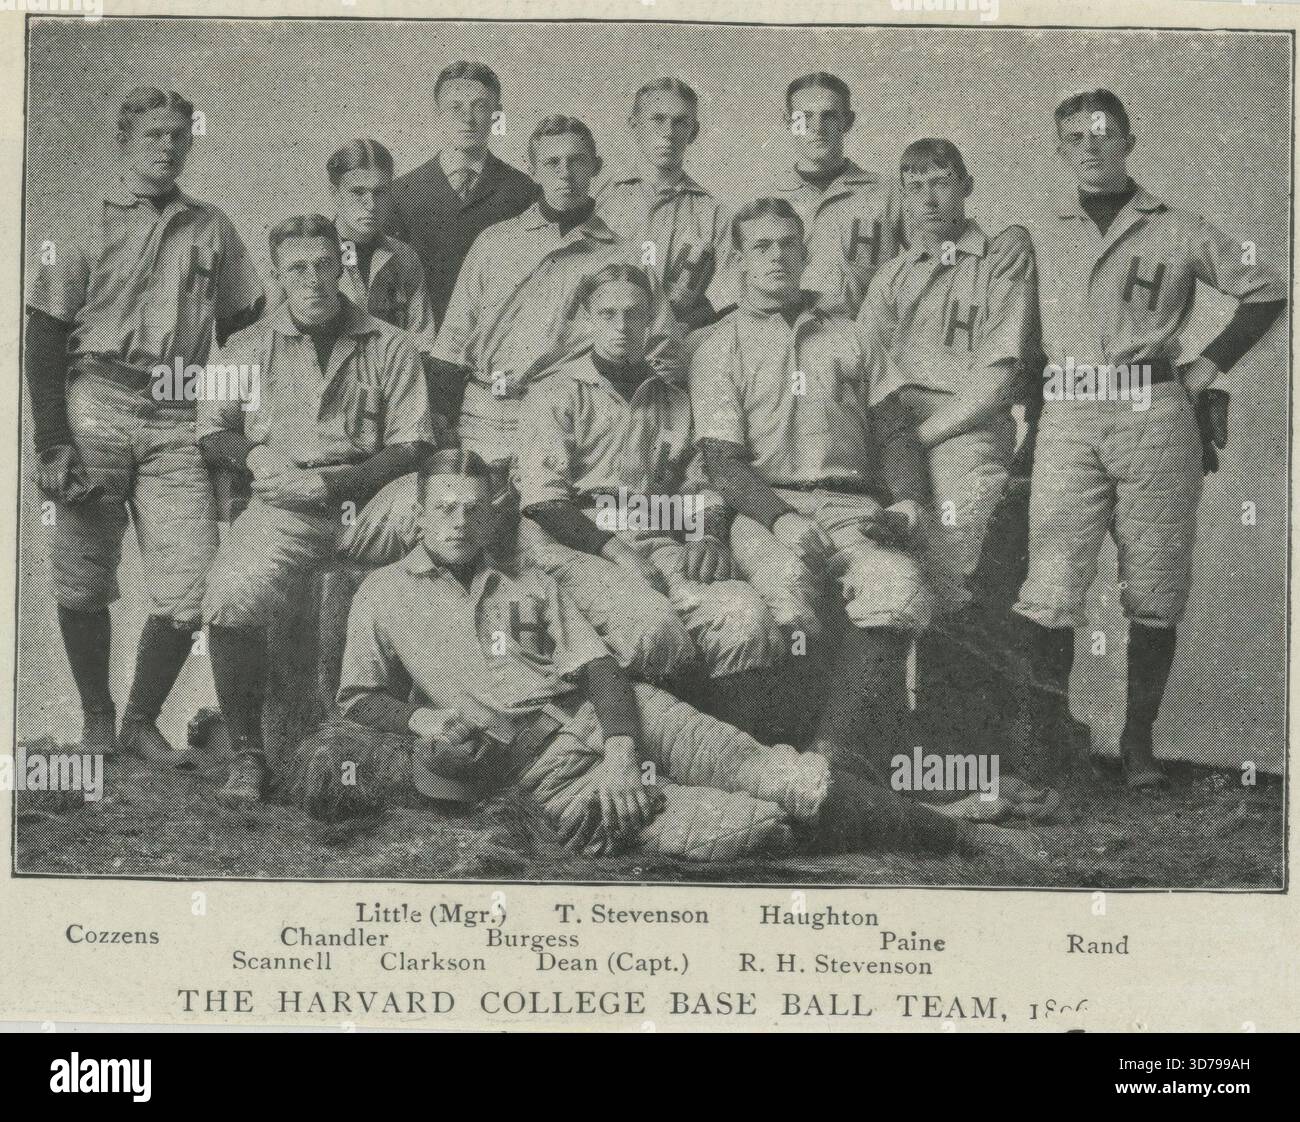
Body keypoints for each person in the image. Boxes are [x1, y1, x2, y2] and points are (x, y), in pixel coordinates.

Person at [334, 449, 1041, 861]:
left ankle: (960, 833)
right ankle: (916, 821)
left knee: (783, 774)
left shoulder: (526, 578)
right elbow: (358, 697)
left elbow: (601, 669)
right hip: (548, 773)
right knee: (750, 826)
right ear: (420, 514)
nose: (459, 522)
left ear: (489, 511)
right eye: (443, 508)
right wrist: (420, 723)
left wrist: (620, 749)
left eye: (471, 508)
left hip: (628, 717)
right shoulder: (383, 593)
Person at [1015, 90, 1286, 788]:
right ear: (1060, 148)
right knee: (1051, 581)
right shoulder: (1039, 229)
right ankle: (1050, 745)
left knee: (1156, 584)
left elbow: (1265, 289)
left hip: (1151, 410)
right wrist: (1024, 416)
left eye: (1102, 134)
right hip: (1068, 410)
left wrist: (1208, 364)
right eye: (1074, 136)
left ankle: (1138, 744)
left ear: (1129, 139)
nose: (1090, 146)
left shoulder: (1176, 226)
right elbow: (1021, 333)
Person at [24, 87, 263, 763]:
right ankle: (97, 718)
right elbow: (43, 336)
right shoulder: (82, 220)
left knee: (194, 586)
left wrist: (229, 421)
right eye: (154, 134)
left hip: (178, 410)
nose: (167, 145)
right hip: (97, 398)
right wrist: (51, 440)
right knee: (83, 573)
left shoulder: (212, 226)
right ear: (124, 142)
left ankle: (139, 720)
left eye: (179, 134)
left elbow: (246, 332)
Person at [689, 197, 931, 782]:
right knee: (789, 596)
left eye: (788, 245)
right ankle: (773, 766)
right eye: (761, 247)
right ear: (738, 259)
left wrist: (906, 501)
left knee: (897, 587)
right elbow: (722, 460)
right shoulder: (719, 343)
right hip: (766, 504)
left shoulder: (852, 334)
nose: (777, 258)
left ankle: (834, 757)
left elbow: (893, 427)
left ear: (806, 253)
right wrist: (780, 519)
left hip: (850, 503)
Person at [197, 215, 433, 803]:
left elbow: (414, 444)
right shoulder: (247, 347)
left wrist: (339, 487)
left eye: (325, 265)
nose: (313, 279)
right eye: (297, 268)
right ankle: (249, 754)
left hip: (370, 498)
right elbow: (210, 433)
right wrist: (253, 458)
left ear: (342, 267)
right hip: (285, 504)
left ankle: (431, 730)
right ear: (277, 276)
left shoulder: (388, 341)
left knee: (441, 531)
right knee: (230, 589)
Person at [516, 262, 784, 705]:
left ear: (651, 319)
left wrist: (710, 537)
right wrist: (618, 553)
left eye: (633, 313)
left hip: (652, 533)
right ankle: (659, 748)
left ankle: (736, 751)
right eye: (607, 314)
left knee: (746, 615)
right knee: (654, 630)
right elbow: (545, 502)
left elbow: (698, 489)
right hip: (569, 546)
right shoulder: (555, 393)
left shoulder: (672, 398)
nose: (621, 326)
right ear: (586, 317)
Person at [858, 139, 1038, 750]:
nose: (928, 199)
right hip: (896, 426)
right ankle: (878, 729)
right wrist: (891, 442)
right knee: (860, 542)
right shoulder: (891, 276)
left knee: (951, 558)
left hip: (963, 426)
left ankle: (948, 733)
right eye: (914, 186)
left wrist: (921, 437)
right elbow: (863, 372)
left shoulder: (999, 258)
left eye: (940, 183)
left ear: (965, 186)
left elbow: (998, 379)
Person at [427, 114, 681, 473]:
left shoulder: (627, 256)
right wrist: (445, 428)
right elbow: (451, 347)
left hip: (573, 423)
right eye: (552, 162)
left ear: (596, 167)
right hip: (484, 419)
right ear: (532, 169)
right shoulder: (495, 242)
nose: (565, 173)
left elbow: (663, 356)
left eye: (577, 161)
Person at [387, 60, 536, 325]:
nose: (468, 119)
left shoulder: (525, 192)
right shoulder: (400, 193)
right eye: (455, 107)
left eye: (480, 106)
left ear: (497, 116)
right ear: (437, 115)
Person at [595, 77, 730, 332]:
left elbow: (728, 300)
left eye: (680, 122)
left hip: (672, 356)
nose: (668, 132)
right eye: (657, 119)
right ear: (633, 125)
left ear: (694, 131)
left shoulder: (715, 214)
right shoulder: (598, 197)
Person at [768, 72, 904, 318]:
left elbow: (932, 261)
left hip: (863, 343)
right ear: (788, 122)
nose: (817, 128)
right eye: (804, 117)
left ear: (847, 121)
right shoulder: (768, 200)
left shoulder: (889, 193)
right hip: (786, 343)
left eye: (829, 116)